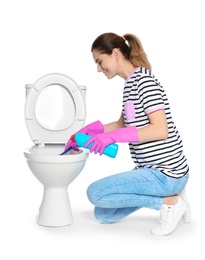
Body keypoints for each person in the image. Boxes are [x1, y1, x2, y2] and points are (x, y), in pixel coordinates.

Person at [65, 32, 191, 236]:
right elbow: (121, 124)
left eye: (100, 61)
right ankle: (173, 198)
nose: (98, 69)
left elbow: (160, 129)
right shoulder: (130, 84)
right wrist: (89, 130)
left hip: (165, 172)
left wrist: (112, 138)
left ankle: (170, 201)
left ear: (115, 53)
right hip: (148, 168)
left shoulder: (144, 82)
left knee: (95, 193)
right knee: (104, 215)